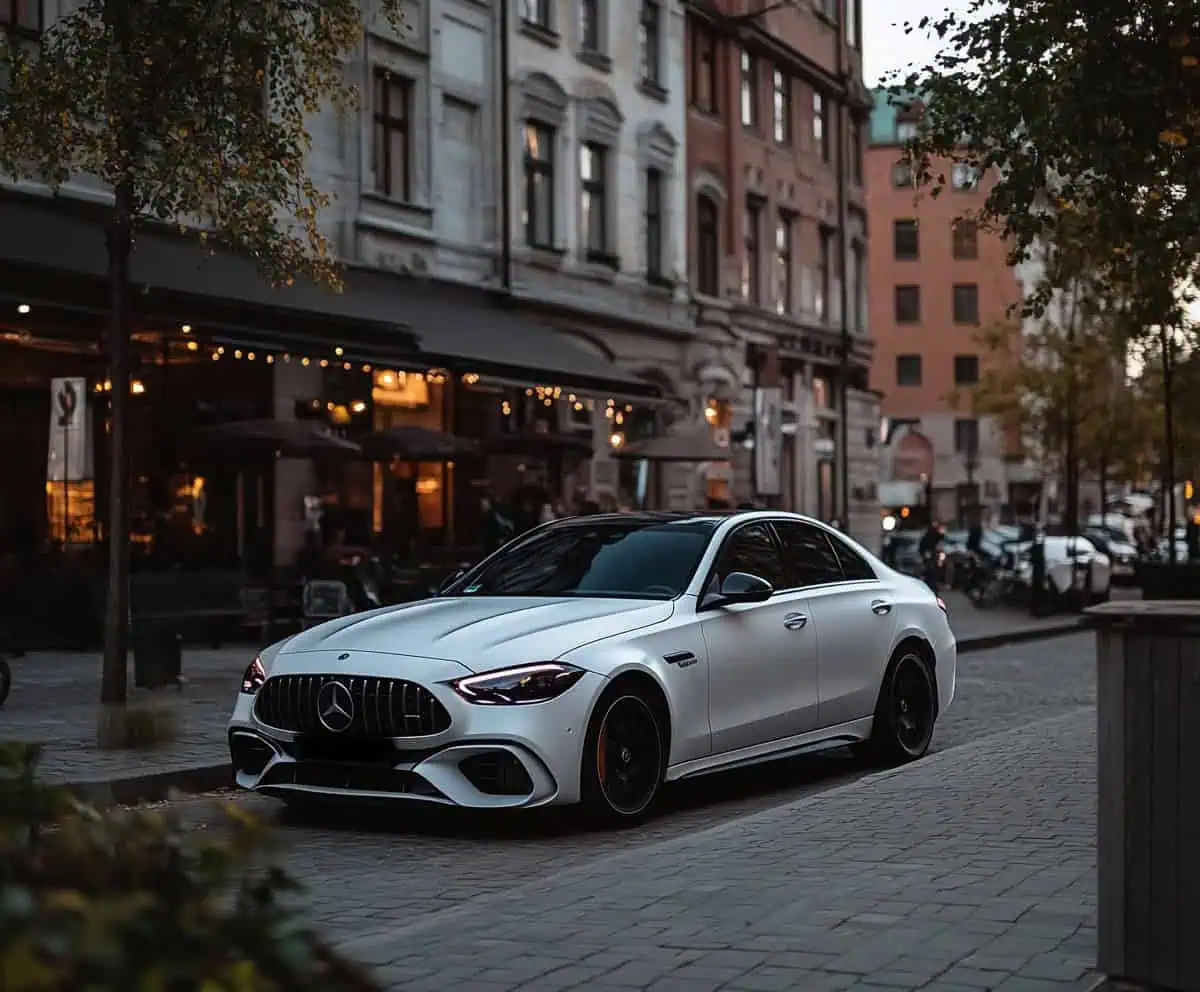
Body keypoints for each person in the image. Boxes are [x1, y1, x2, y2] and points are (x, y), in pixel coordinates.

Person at [918, 519, 943, 592]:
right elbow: (922, 548)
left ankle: (932, 587)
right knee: (930, 574)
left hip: (933, 557)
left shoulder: (935, 536)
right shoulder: (927, 537)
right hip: (930, 557)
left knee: (932, 574)